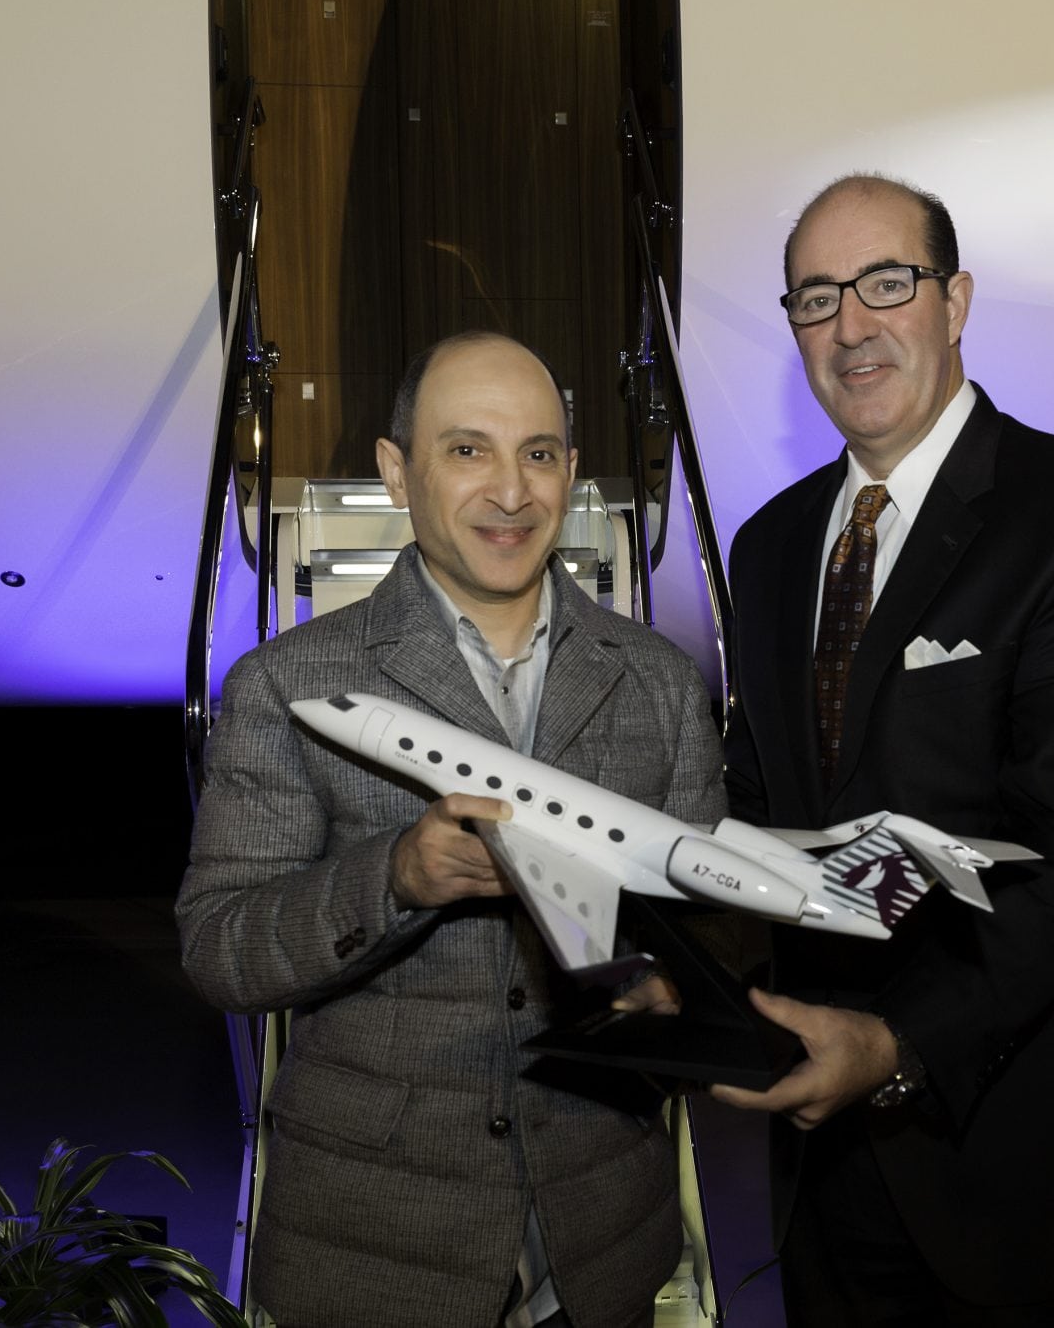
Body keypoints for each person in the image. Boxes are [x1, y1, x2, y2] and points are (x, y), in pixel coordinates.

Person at [711, 175, 1054, 1325]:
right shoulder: (768, 548)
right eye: (814, 297)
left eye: (884, 284)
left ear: (953, 302)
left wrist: (901, 1042)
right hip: (829, 1156)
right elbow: (757, 806)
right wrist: (652, 925)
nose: (849, 324)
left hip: (1041, 1162)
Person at [177, 331, 725, 1328]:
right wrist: (395, 877)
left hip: (598, 1254)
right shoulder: (288, 685)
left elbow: (708, 929)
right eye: (467, 450)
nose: (511, 494)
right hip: (376, 1262)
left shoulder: (660, 682)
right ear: (396, 471)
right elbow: (221, 951)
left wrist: (672, 982)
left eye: (541, 453)